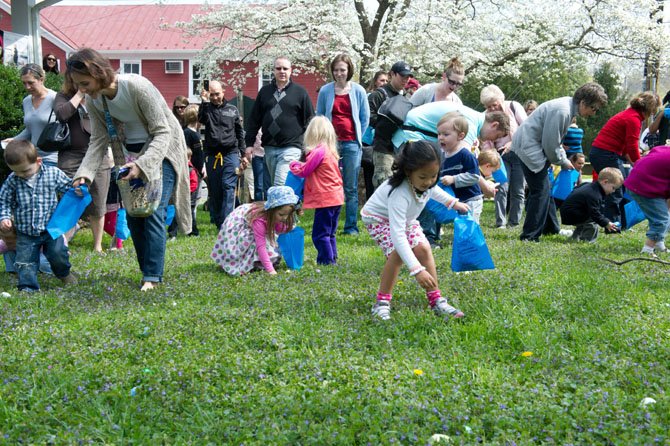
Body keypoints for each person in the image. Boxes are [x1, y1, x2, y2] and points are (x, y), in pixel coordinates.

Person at [68, 48, 192, 292]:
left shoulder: (137, 86)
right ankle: (146, 269)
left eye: (85, 83)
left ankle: (152, 277)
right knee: (135, 214)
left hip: (161, 150)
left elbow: (163, 131)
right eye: (78, 85)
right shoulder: (95, 100)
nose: (83, 89)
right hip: (129, 155)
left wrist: (143, 165)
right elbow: (98, 140)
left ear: (98, 72)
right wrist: (84, 173)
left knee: (152, 210)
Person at [361, 140, 470, 321]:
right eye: (423, 177)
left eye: (433, 176)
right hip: (379, 219)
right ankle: (381, 302)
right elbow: (397, 235)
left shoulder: (425, 183)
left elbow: (433, 191)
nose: (428, 182)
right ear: (408, 171)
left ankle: (436, 300)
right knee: (396, 254)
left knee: (424, 248)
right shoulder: (399, 193)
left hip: (406, 219)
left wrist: (453, 203)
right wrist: (417, 270)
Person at [391, 101, 510, 245]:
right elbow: (468, 164)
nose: (493, 140)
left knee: (427, 186)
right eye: (497, 136)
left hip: (413, 136)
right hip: (412, 136)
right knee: (425, 185)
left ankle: (425, 234)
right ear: (494, 125)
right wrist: (485, 186)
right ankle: (425, 236)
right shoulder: (468, 123)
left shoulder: (471, 119)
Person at [512, 82, 608, 242]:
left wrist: (560, 158)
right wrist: (562, 161)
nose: (594, 113)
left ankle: (551, 228)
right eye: (594, 108)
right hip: (528, 148)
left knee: (545, 189)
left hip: (531, 146)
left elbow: (553, 142)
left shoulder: (567, 108)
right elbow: (551, 144)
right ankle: (529, 236)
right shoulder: (562, 111)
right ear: (583, 102)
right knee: (540, 192)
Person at [0, 140, 76, 291]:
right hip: (26, 232)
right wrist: (5, 217)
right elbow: (5, 201)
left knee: (58, 255)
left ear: (39, 161)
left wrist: (77, 189)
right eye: (16, 171)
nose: (21, 175)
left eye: (25, 171)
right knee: (25, 261)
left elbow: (68, 188)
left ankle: (64, 274)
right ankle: (28, 287)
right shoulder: (12, 181)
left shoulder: (53, 174)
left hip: (51, 230)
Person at [53, 66, 112, 253]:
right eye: (75, 79)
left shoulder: (98, 95)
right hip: (70, 155)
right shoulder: (62, 97)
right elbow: (61, 115)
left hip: (98, 153)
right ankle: (63, 241)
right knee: (69, 197)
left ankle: (97, 246)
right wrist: (79, 95)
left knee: (98, 198)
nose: (79, 82)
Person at [316, 54, 370, 235]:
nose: (339, 73)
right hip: (330, 145)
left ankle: (351, 226)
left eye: (343, 70)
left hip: (351, 144)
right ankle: (329, 225)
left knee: (350, 186)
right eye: (336, 70)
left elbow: (364, 118)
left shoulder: (358, 91)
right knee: (330, 185)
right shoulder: (325, 91)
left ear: (349, 71)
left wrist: (358, 138)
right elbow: (320, 116)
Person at [589, 91, 659, 226]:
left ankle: (618, 222)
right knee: (615, 188)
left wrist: (635, 163)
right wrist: (639, 164)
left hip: (603, 153)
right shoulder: (633, 118)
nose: (652, 114)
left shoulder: (630, 114)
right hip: (605, 153)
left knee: (617, 188)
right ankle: (613, 225)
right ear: (649, 108)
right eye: (653, 110)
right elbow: (632, 145)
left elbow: (626, 146)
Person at [244, 56, 314, 187]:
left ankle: (283, 205)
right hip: (270, 148)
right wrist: (249, 144)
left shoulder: (300, 93)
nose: (282, 71)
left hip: (291, 147)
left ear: (290, 71)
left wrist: (309, 146)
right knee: (276, 186)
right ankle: (293, 205)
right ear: (273, 71)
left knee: (279, 184)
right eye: (278, 68)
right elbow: (254, 120)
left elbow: (310, 121)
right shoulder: (264, 92)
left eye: (285, 68)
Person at [289, 116, 344, 265]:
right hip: (336, 196)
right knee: (330, 232)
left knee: (320, 234)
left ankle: (326, 261)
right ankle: (332, 257)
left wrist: (294, 166)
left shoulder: (318, 151)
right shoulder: (331, 151)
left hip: (326, 198)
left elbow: (305, 171)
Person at [211, 185, 299, 275]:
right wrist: (271, 270)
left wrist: (289, 228)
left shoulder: (275, 215)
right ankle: (237, 262)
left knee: (269, 244)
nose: (285, 218)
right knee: (249, 242)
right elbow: (261, 246)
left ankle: (259, 262)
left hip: (253, 220)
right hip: (237, 224)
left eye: (287, 215)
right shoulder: (259, 220)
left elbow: (278, 227)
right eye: (281, 215)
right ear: (272, 210)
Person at [479, 84, 528, 229]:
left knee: (518, 189)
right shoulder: (484, 117)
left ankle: (514, 222)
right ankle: (500, 222)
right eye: (489, 106)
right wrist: (491, 154)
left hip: (518, 152)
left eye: (494, 104)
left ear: (501, 99)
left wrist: (513, 143)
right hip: (499, 155)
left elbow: (526, 127)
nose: (493, 109)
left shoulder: (513, 106)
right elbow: (485, 140)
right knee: (501, 187)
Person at [198, 80, 245, 228]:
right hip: (212, 155)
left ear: (223, 92)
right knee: (216, 190)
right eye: (211, 95)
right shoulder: (206, 109)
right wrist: (204, 102)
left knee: (228, 186)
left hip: (230, 153)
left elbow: (239, 133)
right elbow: (201, 120)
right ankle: (219, 222)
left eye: (217, 94)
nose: (215, 98)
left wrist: (243, 154)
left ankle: (228, 223)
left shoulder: (232, 110)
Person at [2, 64, 58, 166]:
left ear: (41, 79)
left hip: (53, 158)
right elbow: (30, 130)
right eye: (24, 83)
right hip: (33, 157)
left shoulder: (55, 98)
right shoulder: (26, 101)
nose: (27, 87)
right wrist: (15, 140)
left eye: (31, 83)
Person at [368, 60, 413, 187]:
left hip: (402, 150)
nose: (405, 79)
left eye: (408, 77)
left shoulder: (407, 97)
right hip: (383, 148)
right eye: (402, 76)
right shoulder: (378, 95)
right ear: (392, 74)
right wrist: (386, 123)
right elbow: (367, 117)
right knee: (383, 185)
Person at [436, 112, 486, 223]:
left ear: (460, 136)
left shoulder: (465, 154)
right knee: (459, 225)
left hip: (471, 199)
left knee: (469, 225)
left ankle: (472, 240)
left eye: (445, 134)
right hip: (456, 199)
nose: (440, 138)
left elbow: (474, 176)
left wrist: (454, 179)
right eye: (439, 134)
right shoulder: (442, 156)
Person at [623, 145, 670, 255]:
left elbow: (652, 152)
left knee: (661, 217)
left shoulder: (665, 148)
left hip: (636, 179)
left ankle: (659, 243)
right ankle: (647, 249)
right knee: (661, 220)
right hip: (644, 186)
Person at [560, 167, 622, 242]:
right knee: (592, 221)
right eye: (613, 188)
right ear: (605, 182)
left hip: (568, 211)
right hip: (571, 213)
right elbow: (595, 213)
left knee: (584, 221)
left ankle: (575, 238)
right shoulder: (594, 194)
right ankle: (588, 241)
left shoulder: (591, 186)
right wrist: (606, 223)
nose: (613, 191)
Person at [181, 105, 203, 236]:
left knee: (194, 200)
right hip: (192, 172)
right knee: (191, 202)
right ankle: (192, 229)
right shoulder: (189, 133)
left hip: (196, 171)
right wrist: (198, 169)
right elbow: (193, 155)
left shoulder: (195, 133)